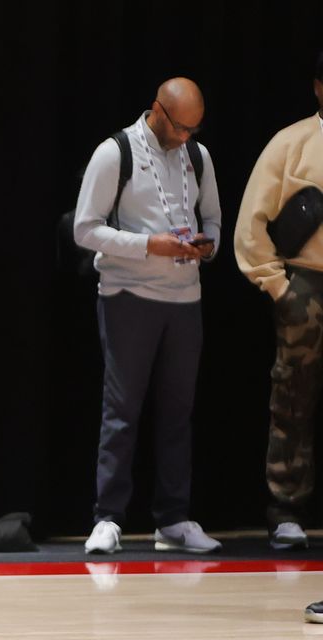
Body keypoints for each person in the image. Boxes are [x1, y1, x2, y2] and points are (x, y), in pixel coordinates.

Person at [73, 77, 224, 555]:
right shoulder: (115, 152)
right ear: (157, 110)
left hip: (185, 300)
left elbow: (215, 218)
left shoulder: (198, 157)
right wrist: (146, 246)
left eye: (194, 131)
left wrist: (208, 244)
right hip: (129, 295)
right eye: (180, 128)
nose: (186, 138)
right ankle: (108, 518)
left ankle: (173, 519)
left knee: (178, 413)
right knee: (123, 411)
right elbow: (84, 228)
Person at [235, 54, 323, 565]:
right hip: (307, 282)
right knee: (294, 395)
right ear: (317, 88)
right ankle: (287, 510)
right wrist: (279, 288)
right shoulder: (291, 144)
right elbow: (252, 222)